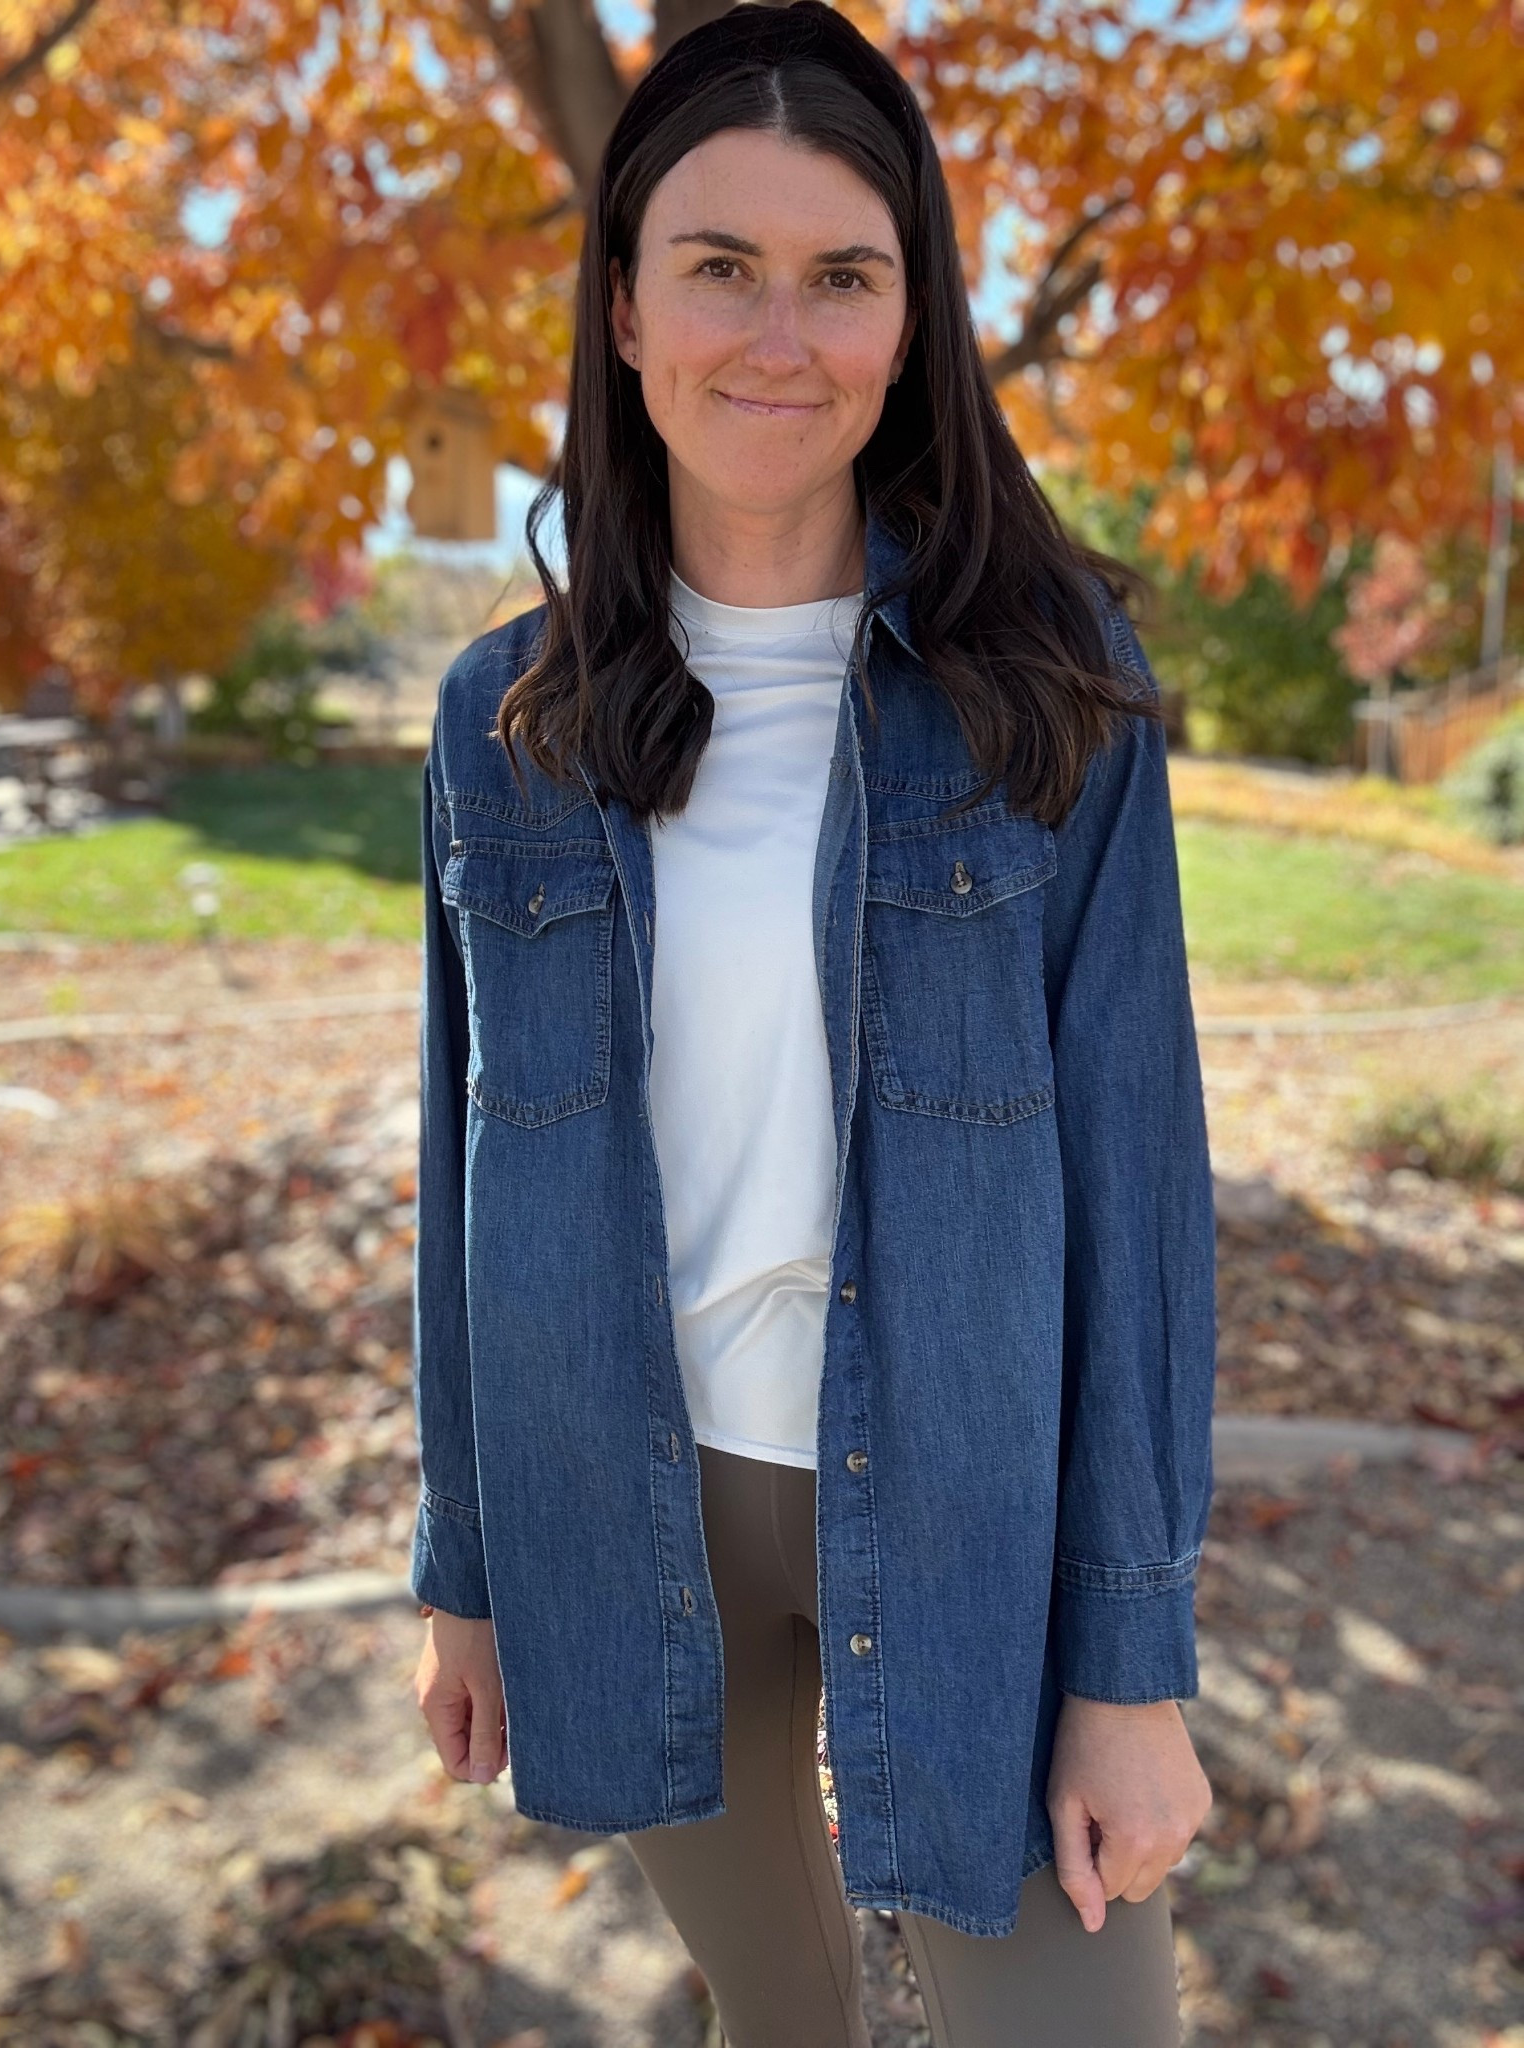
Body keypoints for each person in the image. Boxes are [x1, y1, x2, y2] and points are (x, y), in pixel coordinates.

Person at [410, 4, 1217, 2042]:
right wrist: (468, 1553)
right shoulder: (505, 723)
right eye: (720, 266)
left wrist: (1131, 1659)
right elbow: (464, 1149)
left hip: (968, 1498)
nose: (782, 331)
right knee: (781, 2021)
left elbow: (1138, 1177)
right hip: (621, 1485)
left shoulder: (1043, 687)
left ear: (911, 317)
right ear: (621, 311)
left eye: (844, 274)